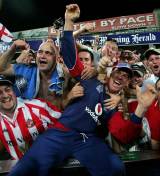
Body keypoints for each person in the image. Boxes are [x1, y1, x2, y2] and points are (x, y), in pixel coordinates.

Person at [7, 4, 157, 176]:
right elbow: (70, 54)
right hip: (61, 132)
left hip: (88, 140)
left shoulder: (114, 104)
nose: (121, 77)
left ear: (127, 82)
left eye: (126, 76)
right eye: (119, 72)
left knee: (115, 169)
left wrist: (141, 108)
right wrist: (69, 22)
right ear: (110, 73)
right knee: (24, 170)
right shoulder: (89, 77)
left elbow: (123, 134)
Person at [0, 75, 65, 160]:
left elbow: (66, 123)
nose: (5, 95)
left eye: (7, 90)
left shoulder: (38, 107)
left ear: (14, 91)